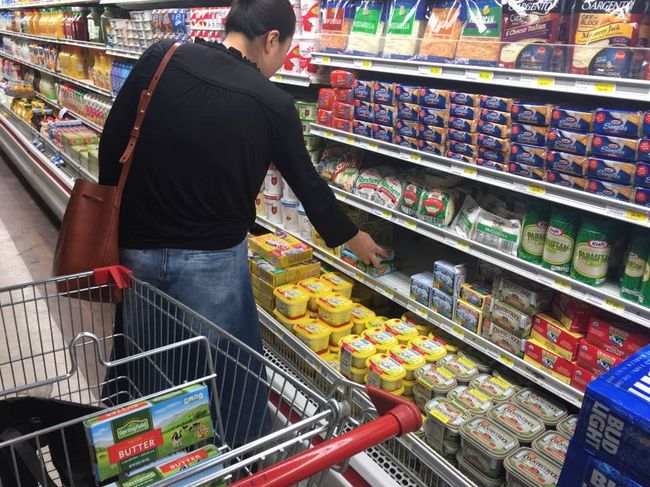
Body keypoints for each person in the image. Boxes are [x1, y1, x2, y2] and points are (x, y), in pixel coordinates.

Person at [98, 0, 386, 446]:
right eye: (285, 52)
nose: (280, 65)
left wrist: (119, 220)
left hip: (137, 250)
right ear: (271, 39)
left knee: (146, 357)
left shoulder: (162, 57)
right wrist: (352, 236)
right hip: (212, 261)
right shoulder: (272, 104)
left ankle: (136, 453)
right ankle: (236, 459)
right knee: (232, 372)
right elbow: (307, 184)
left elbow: (114, 140)